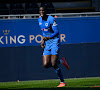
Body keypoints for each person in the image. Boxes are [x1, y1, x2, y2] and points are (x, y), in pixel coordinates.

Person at [38, 6, 70, 87]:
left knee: (53, 63)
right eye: (40, 10)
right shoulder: (39, 20)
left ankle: (63, 82)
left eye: (43, 10)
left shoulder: (51, 19)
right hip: (47, 43)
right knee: (45, 65)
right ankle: (62, 61)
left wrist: (49, 37)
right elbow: (44, 33)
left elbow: (56, 32)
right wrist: (43, 41)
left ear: (46, 11)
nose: (41, 12)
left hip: (55, 42)